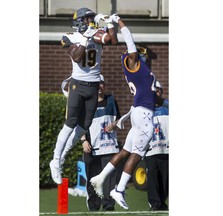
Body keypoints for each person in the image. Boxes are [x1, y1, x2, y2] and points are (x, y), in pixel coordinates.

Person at [90, 15, 159, 210]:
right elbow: (129, 39)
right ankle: (118, 190)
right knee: (137, 155)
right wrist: (119, 21)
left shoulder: (138, 69)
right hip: (144, 114)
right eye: (138, 54)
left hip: (139, 111)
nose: (141, 55)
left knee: (126, 151)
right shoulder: (134, 64)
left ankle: (100, 178)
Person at [49, 8, 118, 185]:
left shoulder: (94, 33)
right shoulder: (70, 36)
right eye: (87, 19)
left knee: (84, 125)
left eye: (91, 19)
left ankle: (63, 155)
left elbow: (111, 40)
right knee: (70, 122)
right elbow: (78, 56)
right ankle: (56, 160)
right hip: (77, 85)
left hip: (93, 86)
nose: (91, 22)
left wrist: (109, 22)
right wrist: (86, 38)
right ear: (79, 21)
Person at [82, 74, 121, 211]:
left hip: (109, 147)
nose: (99, 86)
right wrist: (83, 141)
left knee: (109, 179)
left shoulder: (111, 101)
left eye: (101, 83)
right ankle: (93, 206)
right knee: (92, 179)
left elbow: (119, 120)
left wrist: (115, 124)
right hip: (91, 147)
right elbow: (79, 125)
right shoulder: (86, 104)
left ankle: (108, 206)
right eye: (96, 84)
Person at [144, 81, 169, 211]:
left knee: (166, 180)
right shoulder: (144, 109)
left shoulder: (168, 106)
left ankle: (162, 201)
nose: (156, 92)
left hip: (167, 150)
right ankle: (155, 204)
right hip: (150, 150)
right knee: (153, 178)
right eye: (154, 90)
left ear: (161, 92)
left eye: (158, 90)